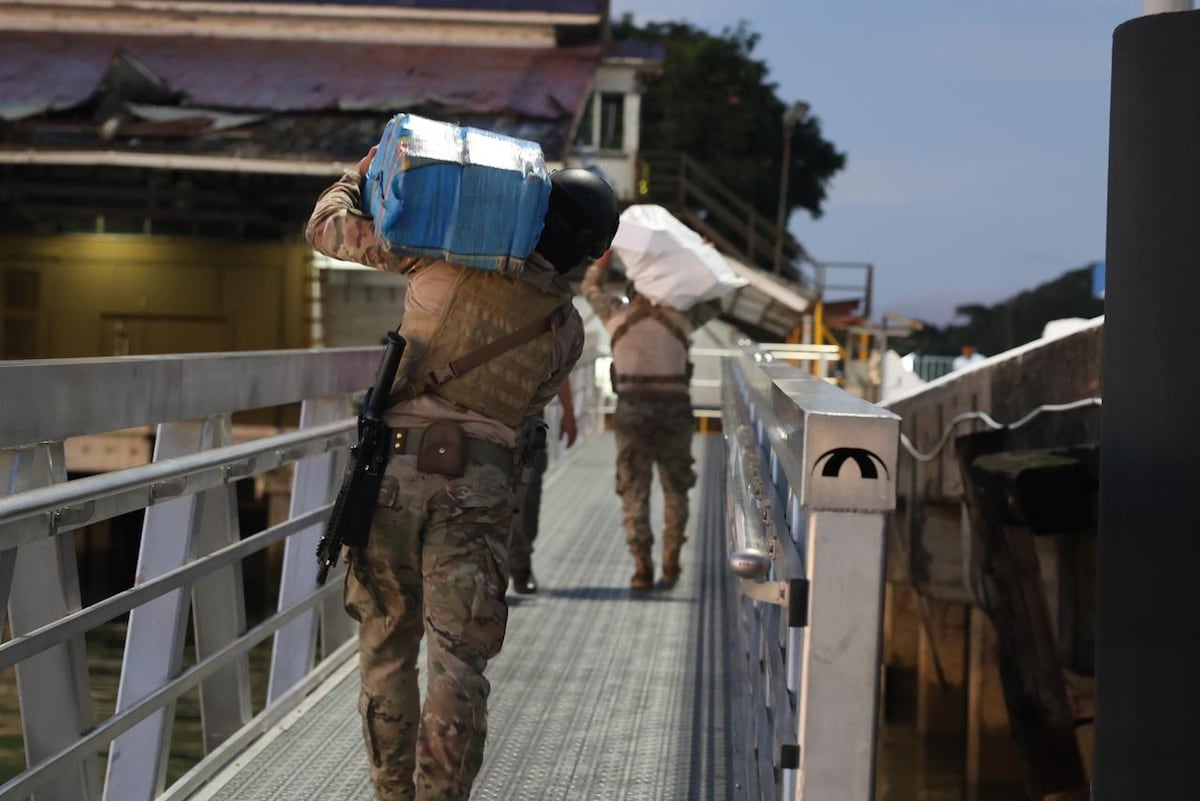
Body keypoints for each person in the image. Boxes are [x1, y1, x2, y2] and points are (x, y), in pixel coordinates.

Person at [306, 148, 619, 801]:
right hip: (478, 489)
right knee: (459, 661)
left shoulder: (444, 256)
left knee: (387, 638)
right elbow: (528, 405)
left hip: (392, 469)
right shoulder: (565, 329)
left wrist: (357, 176)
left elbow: (328, 229)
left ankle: (390, 791)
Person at [582, 251, 719, 591]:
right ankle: (671, 562)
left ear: (632, 285)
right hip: (675, 411)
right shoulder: (681, 317)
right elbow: (716, 301)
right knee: (676, 489)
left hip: (632, 414)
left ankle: (641, 567)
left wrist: (602, 260)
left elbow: (588, 288)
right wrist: (702, 256)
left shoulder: (616, 313)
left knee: (634, 490)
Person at [508, 380, 576, 595]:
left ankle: (520, 566)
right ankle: (490, 573)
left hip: (528, 423)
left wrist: (569, 412)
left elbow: (561, 366)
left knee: (526, 499)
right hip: (483, 418)